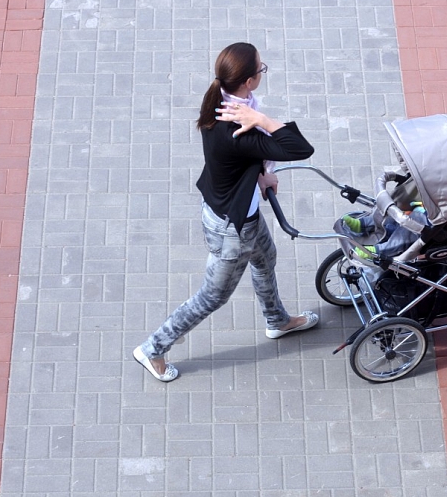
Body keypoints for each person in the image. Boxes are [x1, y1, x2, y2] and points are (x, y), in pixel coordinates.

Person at [133, 42, 318, 382]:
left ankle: (277, 321)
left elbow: (233, 162)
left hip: (235, 211)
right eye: (262, 69)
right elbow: (300, 148)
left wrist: (260, 174)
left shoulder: (218, 102)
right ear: (248, 81)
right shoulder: (242, 128)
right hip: (232, 230)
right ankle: (153, 348)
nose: (263, 72)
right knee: (212, 297)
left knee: (266, 258)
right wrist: (261, 119)